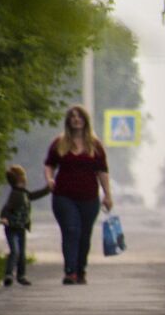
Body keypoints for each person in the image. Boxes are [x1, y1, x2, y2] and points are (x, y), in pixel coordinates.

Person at [44, 105, 113, 285]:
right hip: (63, 196)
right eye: (73, 117)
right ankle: (70, 272)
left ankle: (81, 269)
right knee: (71, 230)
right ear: (68, 121)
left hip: (89, 198)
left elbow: (102, 171)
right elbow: (49, 164)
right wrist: (50, 179)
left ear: (85, 121)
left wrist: (107, 195)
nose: (76, 120)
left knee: (84, 235)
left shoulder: (95, 145)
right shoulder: (59, 143)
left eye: (79, 117)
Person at [0, 165, 50, 287]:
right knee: (15, 251)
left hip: (21, 228)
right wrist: (4, 217)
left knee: (21, 253)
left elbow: (34, 195)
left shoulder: (24, 193)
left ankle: (21, 276)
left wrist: (48, 189)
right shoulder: (16, 194)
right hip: (12, 228)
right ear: (20, 179)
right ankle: (9, 274)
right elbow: (6, 207)